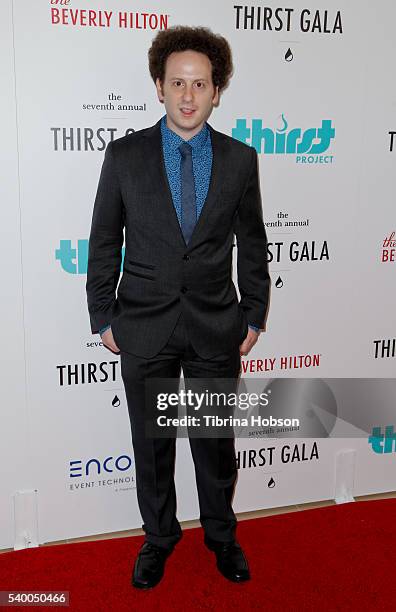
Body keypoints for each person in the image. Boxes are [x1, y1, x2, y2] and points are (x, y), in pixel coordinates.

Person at [86, 25, 270, 589]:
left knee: (215, 446)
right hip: (143, 326)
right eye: (177, 83)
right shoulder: (124, 156)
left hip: (217, 325)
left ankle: (221, 535)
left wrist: (254, 314)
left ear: (218, 91)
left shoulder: (240, 159)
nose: (188, 96)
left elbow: (254, 242)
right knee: (153, 444)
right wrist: (104, 317)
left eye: (201, 84)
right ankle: (159, 537)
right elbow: (102, 240)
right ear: (159, 87)